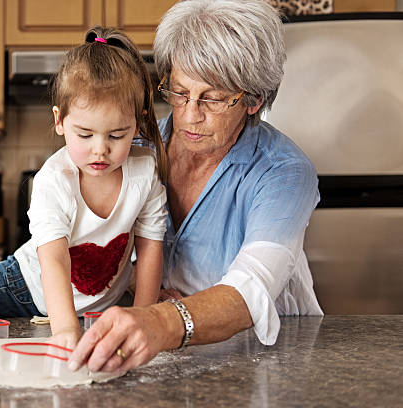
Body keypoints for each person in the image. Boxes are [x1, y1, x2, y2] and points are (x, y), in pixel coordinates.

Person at [68, 0, 323, 373]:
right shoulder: (134, 147)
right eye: (179, 91)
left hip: (267, 362)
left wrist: (162, 319)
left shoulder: (282, 172)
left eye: (213, 98)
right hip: (165, 360)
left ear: (254, 100)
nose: (189, 114)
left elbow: (250, 289)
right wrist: (141, 283)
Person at [0, 26, 168, 348]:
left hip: (99, 303)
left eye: (117, 135)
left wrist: (141, 320)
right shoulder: (54, 180)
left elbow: (152, 247)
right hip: (26, 284)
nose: (101, 149)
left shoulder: (144, 173)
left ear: (138, 123)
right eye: (85, 135)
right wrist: (66, 334)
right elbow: (54, 261)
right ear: (59, 121)